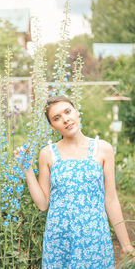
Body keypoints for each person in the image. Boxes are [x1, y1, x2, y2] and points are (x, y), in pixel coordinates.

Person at [14, 95, 135, 268]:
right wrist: (27, 169)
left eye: (68, 112)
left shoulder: (103, 149)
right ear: (52, 126)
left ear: (77, 112)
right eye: (57, 118)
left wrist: (125, 245)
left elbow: (111, 199)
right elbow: (42, 204)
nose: (65, 119)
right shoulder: (47, 154)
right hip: (59, 241)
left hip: (95, 240)